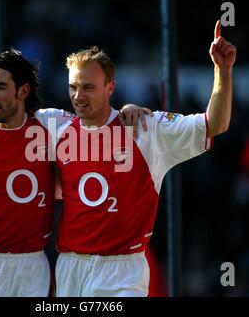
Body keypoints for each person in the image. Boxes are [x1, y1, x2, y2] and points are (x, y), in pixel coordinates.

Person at [0, 49, 149, 297]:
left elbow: (94, 118)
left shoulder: (51, 124)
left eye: (0, 87)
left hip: (33, 267)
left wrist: (128, 109)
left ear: (22, 91)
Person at [54, 20, 236, 297]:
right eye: (73, 87)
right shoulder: (54, 129)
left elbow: (215, 124)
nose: (78, 96)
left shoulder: (145, 128)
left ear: (110, 88)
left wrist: (222, 71)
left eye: (88, 87)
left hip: (123, 271)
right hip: (70, 266)